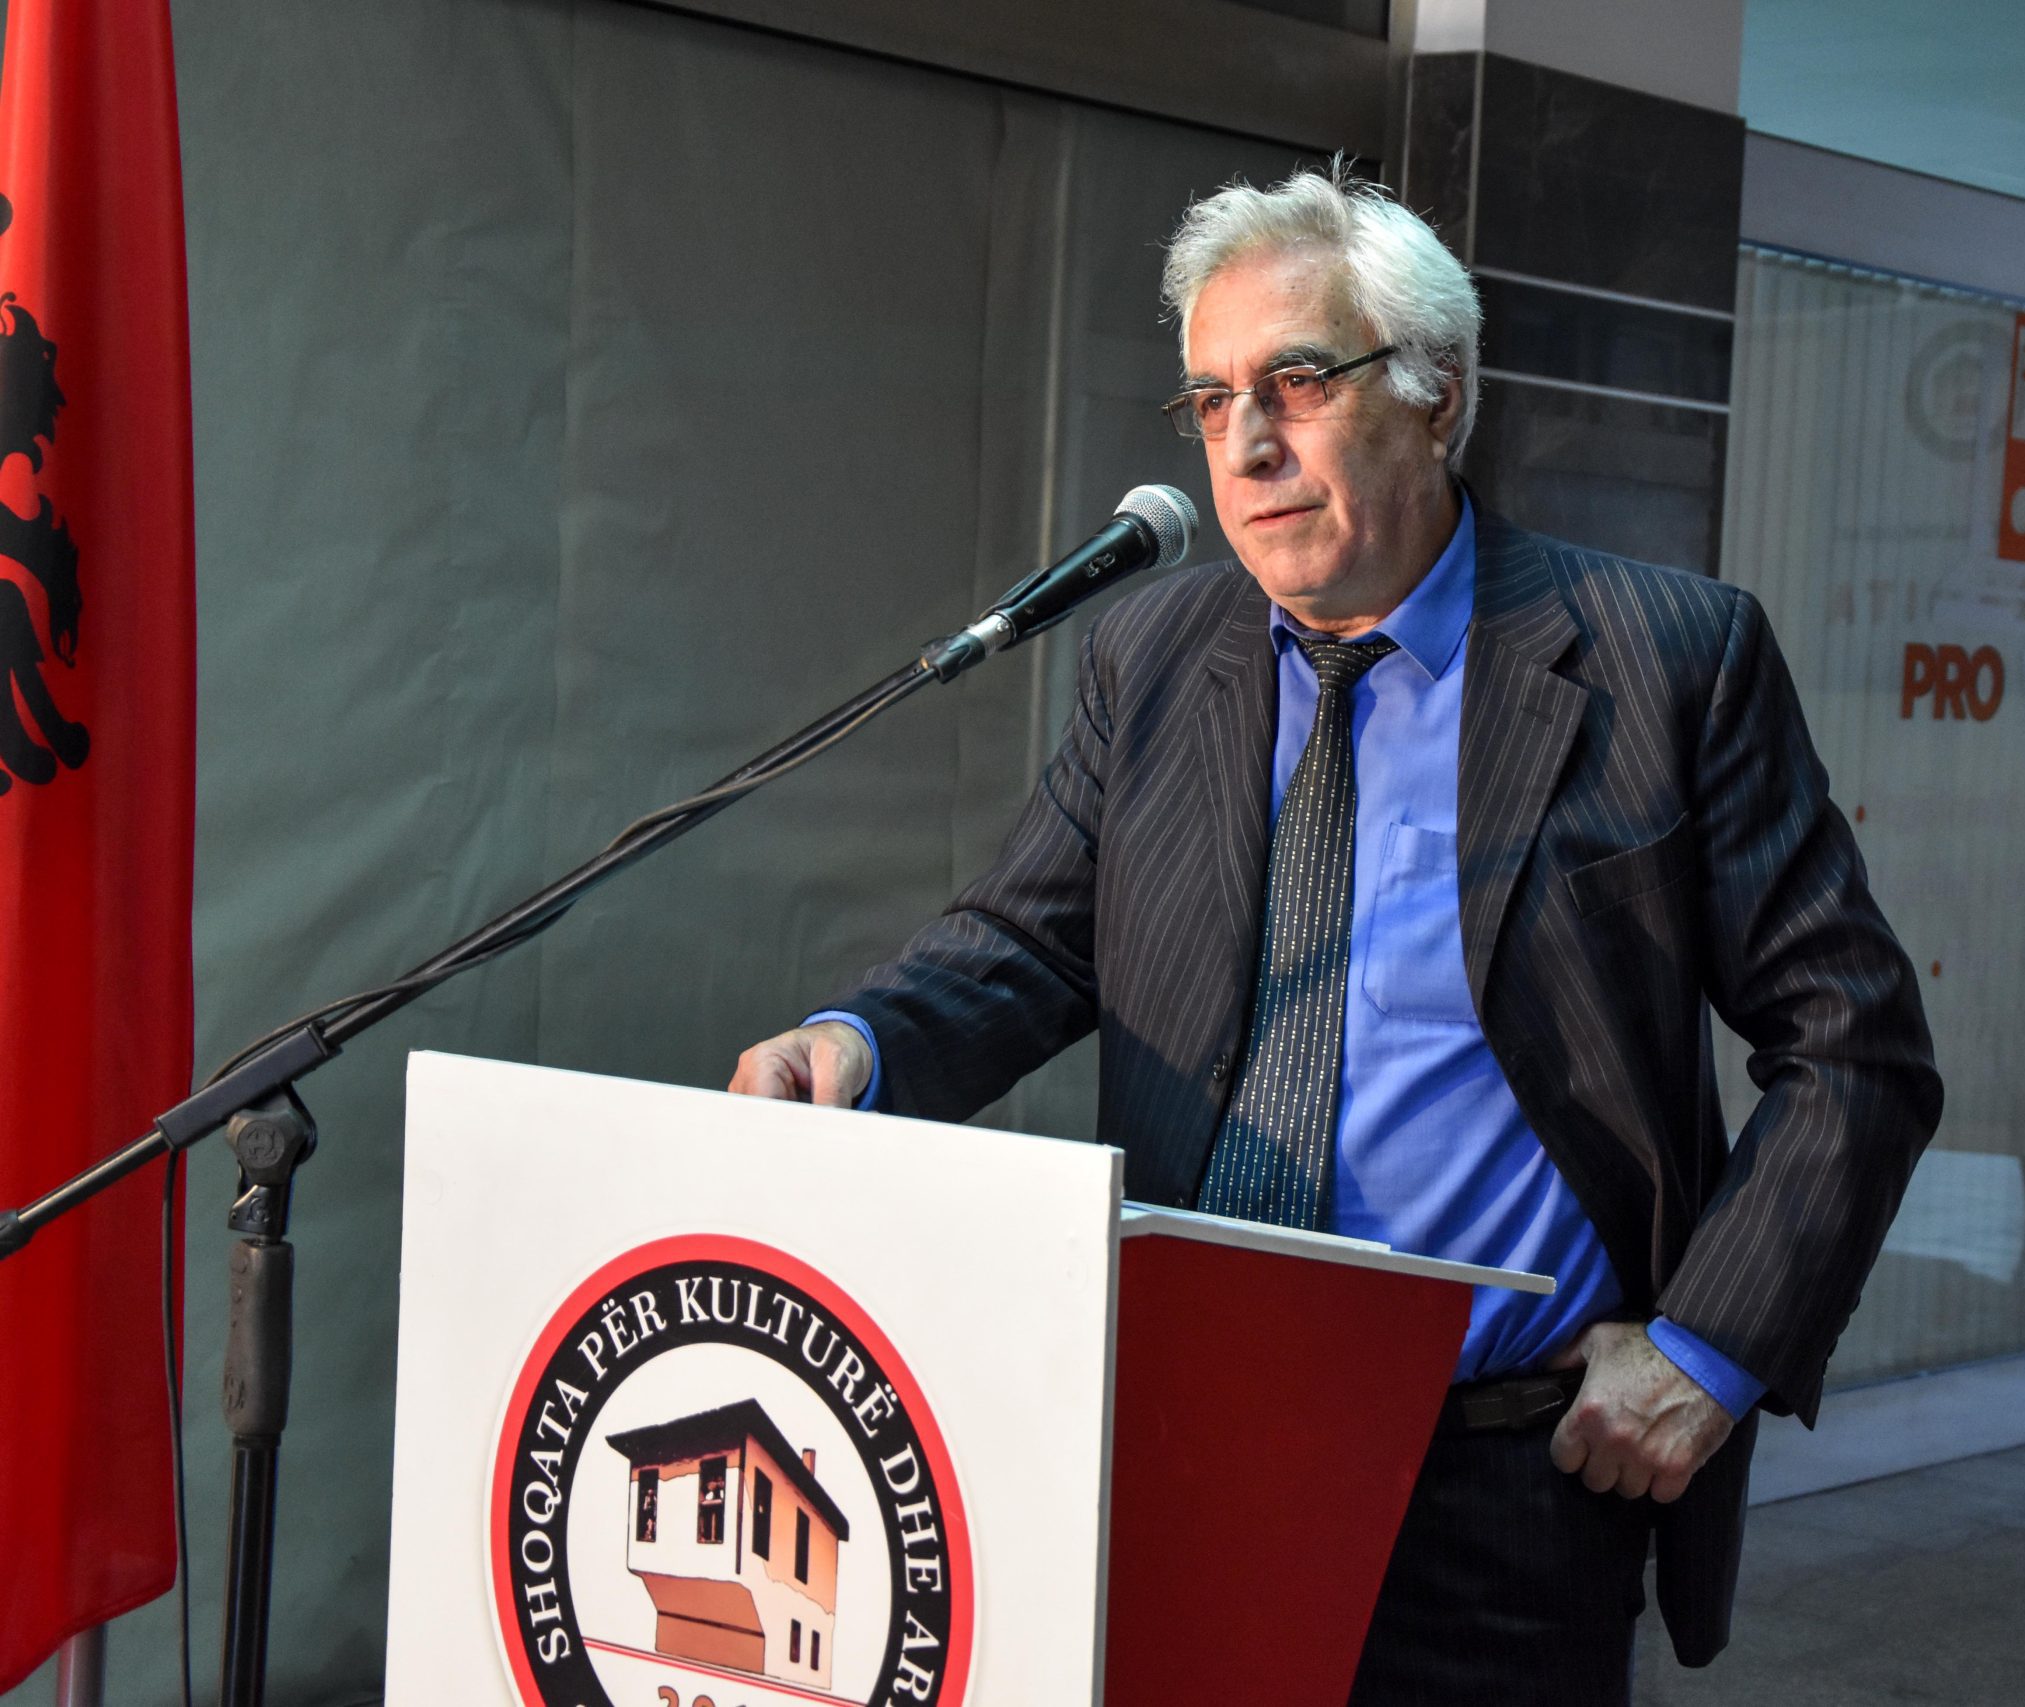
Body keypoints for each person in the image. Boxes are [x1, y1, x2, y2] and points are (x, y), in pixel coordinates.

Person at [730, 164, 1940, 1703]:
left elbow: (1855, 1042)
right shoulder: (1152, 655)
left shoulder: (1663, 661)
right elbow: (1031, 943)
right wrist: (864, 1043)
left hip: (1500, 1489)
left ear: (1439, 394)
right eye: (1209, 399)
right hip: (1177, 1451)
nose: (1245, 443)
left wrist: (1710, 1351)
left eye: (1296, 383)